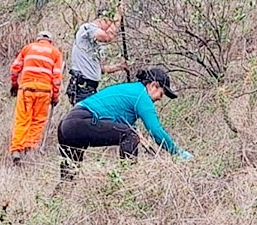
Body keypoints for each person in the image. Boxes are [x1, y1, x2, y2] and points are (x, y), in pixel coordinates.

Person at [57, 67, 192, 179]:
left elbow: (117, 120)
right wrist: (177, 152)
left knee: (68, 178)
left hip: (66, 125)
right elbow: (156, 131)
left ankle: (59, 199)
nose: (160, 99)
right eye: (161, 94)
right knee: (130, 135)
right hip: (81, 121)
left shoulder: (130, 89)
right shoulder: (141, 95)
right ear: (153, 85)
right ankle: (129, 180)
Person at [8, 31, 64, 164]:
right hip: (44, 91)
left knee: (22, 119)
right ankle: (30, 147)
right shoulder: (55, 53)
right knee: (38, 121)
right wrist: (55, 96)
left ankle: (17, 149)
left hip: (26, 88)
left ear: (38, 39)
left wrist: (14, 85)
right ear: (50, 41)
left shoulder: (28, 48)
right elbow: (57, 78)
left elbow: (15, 68)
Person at [66, 9, 129, 105]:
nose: (109, 28)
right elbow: (108, 37)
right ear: (103, 19)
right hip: (82, 86)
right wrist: (118, 17)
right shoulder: (87, 28)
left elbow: (101, 69)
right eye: (109, 23)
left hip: (90, 88)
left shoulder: (95, 46)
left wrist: (120, 66)